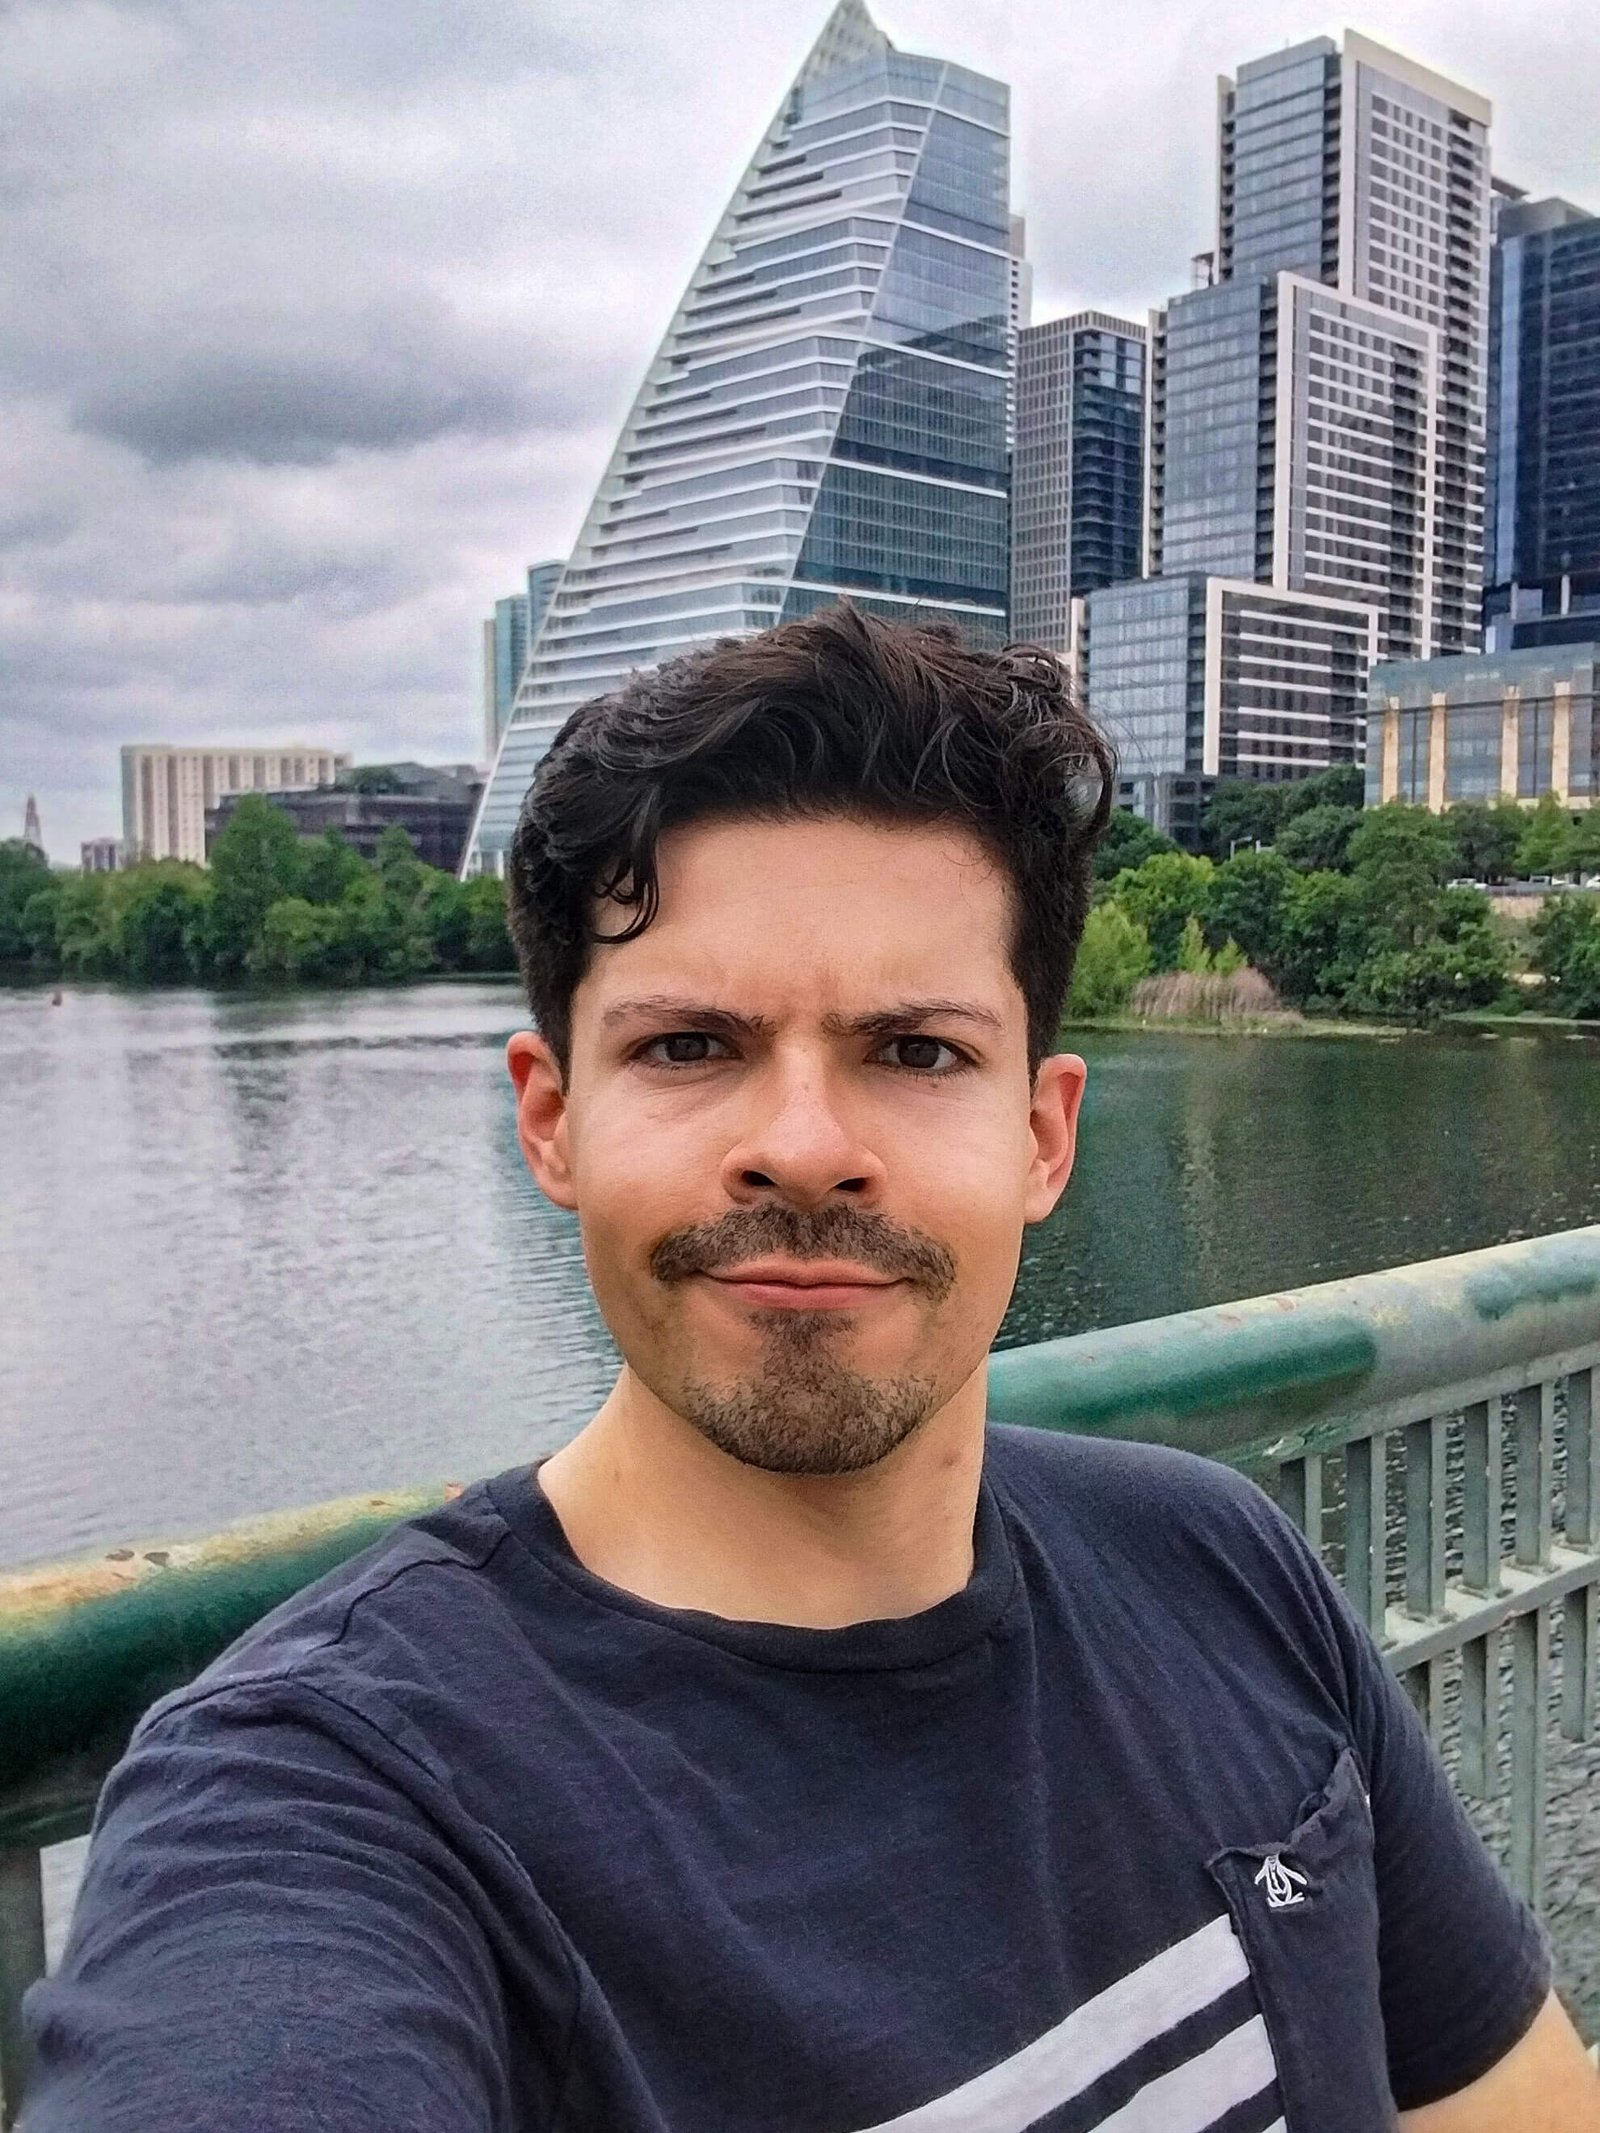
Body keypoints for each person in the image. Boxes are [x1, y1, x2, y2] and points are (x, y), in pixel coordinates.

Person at [22, 607, 1599, 2132]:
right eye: (689, 1046)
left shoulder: (1222, 1562)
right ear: (551, 1115)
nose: (805, 1147)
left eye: (915, 1051)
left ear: (1043, 1132)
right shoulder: (337, 1800)